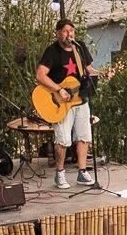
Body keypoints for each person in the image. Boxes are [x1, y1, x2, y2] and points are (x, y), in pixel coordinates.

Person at [35, 18, 102, 188]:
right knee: (63, 139)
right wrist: (58, 89)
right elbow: (40, 75)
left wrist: (102, 73)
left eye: (71, 31)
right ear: (57, 33)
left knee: (84, 137)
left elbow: (89, 70)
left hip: (81, 99)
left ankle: (82, 172)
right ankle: (60, 174)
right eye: (65, 31)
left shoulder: (79, 48)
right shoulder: (52, 51)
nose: (69, 34)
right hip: (61, 103)